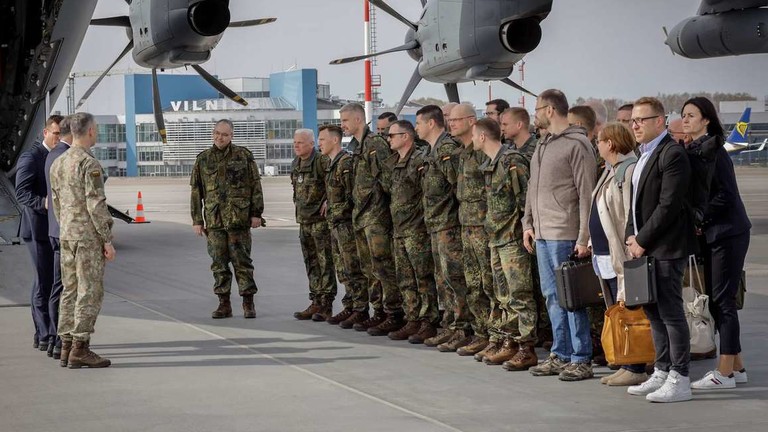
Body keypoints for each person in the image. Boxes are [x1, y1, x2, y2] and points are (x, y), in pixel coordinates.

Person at [523, 89, 597, 381]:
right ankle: (561, 353)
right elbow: (533, 186)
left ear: (550, 110)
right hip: (542, 234)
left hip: (564, 233)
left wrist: (583, 237)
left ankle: (581, 358)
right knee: (552, 297)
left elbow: (586, 194)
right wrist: (527, 222)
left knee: (571, 298)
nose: (535, 114)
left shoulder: (577, 145)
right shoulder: (543, 144)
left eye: (537, 109)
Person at [625, 97, 695, 403]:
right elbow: (635, 204)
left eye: (641, 120)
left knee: (670, 312)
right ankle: (662, 370)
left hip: (666, 246)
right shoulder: (642, 154)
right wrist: (631, 236)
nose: (635, 125)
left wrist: (642, 239)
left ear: (659, 121)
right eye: (633, 121)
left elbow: (669, 205)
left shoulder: (672, 154)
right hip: (645, 247)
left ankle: (680, 377)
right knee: (653, 312)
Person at [681, 97, 752, 390]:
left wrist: (700, 217)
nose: (685, 120)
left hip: (727, 233)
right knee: (717, 299)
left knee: (724, 301)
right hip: (714, 233)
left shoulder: (715, 152)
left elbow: (726, 195)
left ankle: (724, 374)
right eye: (683, 115)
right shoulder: (696, 149)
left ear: (706, 120)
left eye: (691, 115)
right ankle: (737, 367)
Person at [472, 118, 539, 371]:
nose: (473, 140)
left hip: (512, 238)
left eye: (475, 135)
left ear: (482, 137)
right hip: (496, 238)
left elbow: (525, 200)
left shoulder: (512, 161)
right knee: (502, 296)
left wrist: (527, 229)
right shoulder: (492, 163)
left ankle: (526, 348)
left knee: (520, 294)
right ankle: (509, 341)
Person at [49, 112, 115, 368]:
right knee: (89, 290)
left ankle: (65, 346)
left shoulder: (58, 163)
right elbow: (96, 204)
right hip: (87, 237)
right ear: (89, 131)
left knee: (69, 290)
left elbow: (56, 204)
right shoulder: (89, 164)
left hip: (67, 234)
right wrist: (106, 239)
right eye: (95, 129)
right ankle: (80, 347)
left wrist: (67, 227)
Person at [589, 123, 648, 386]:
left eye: (599, 141)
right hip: (605, 254)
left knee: (630, 312)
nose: (597, 146)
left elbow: (628, 213)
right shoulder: (610, 170)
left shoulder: (628, 170)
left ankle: (636, 366)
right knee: (617, 311)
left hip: (622, 254)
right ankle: (626, 362)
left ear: (610, 144)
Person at [340, 103, 404, 335]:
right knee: (370, 268)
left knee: (383, 266)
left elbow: (387, 180)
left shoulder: (374, 144)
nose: (342, 125)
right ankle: (378, 311)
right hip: (363, 215)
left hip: (376, 216)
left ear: (358, 120)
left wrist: (387, 213)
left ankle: (394, 313)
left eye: (345, 121)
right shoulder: (358, 146)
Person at [190, 119, 264, 319]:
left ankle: (248, 303)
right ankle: (224, 304)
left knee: (242, 263)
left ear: (231, 136)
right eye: (216, 133)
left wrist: (256, 213)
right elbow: (196, 192)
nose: (219, 137)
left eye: (224, 134)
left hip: (238, 219)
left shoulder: (243, 156)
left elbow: (255, 185)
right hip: (215, 221)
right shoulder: (203, 159)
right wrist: (197, 220)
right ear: (212, 133)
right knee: (219, 264)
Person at [415, 105, 472, 350]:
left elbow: (457, 187)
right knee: (443, 280)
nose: (416, 128)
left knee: (454, 279)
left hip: (449, 225)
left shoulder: (447, 149)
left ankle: (462, 328)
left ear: (431, 123)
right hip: (436, 224)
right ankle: (450, 326)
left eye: (418, 123)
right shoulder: (432, 150)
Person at [381, 120, 439, 342]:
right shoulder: (395, 162)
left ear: (405, 136)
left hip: (417, 230)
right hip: (399, 230)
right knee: (405, 279)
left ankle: (428, 321)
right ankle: (412, 319)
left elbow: (427, 193)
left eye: (392, 135)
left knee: (423, 278)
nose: (388, 139)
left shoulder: (419, 160)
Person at [451, 103, 493, 356]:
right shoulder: (463, 153)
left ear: (470, 121)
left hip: (483, 227)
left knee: (489, 284)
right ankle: (481, 333)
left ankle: (495, 335)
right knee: (473, 284)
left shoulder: (482, 153)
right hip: (466, 225)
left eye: (456, 120)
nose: (451, 123)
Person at [16, 114, 60, 354]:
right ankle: (43, 334)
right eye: (55, 133)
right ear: (45, 132)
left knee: (50, 281)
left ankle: (44, 333)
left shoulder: (59, 156)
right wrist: (43, 202)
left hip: (52, 229)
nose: (58, 138)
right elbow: (21, 192)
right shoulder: (31, 157)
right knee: (43, 282)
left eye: (61, 134)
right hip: (36, 229)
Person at [317, 124, 369, 327]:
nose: (319, 143)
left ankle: (360, 309)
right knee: (343, 270)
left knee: (353, 268)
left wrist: (338, 210)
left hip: (347, 225)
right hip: (335, 225)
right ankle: (350, 305)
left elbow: (353, 196)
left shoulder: (346, 163)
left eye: (322, 139)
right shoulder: (332, 164)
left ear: (335, 140)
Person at [290, 129, 337, 321]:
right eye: (295, 142)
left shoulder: (321, 161)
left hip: (320, 222)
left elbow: (334, 183)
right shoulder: (296, 163)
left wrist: (328, 201)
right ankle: (316, 300)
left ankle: (326, 304)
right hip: (304, 221)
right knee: (311, 263)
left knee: (325, 263)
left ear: (312, 144)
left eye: (301, 142)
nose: (297, 145)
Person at [44, 115, 72, 361]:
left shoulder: (52, 155)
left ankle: (55, 339)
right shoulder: (65, 156)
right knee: (65, 288)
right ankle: (59, 339)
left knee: (58, 286)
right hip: (65, 231)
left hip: (55, 229)